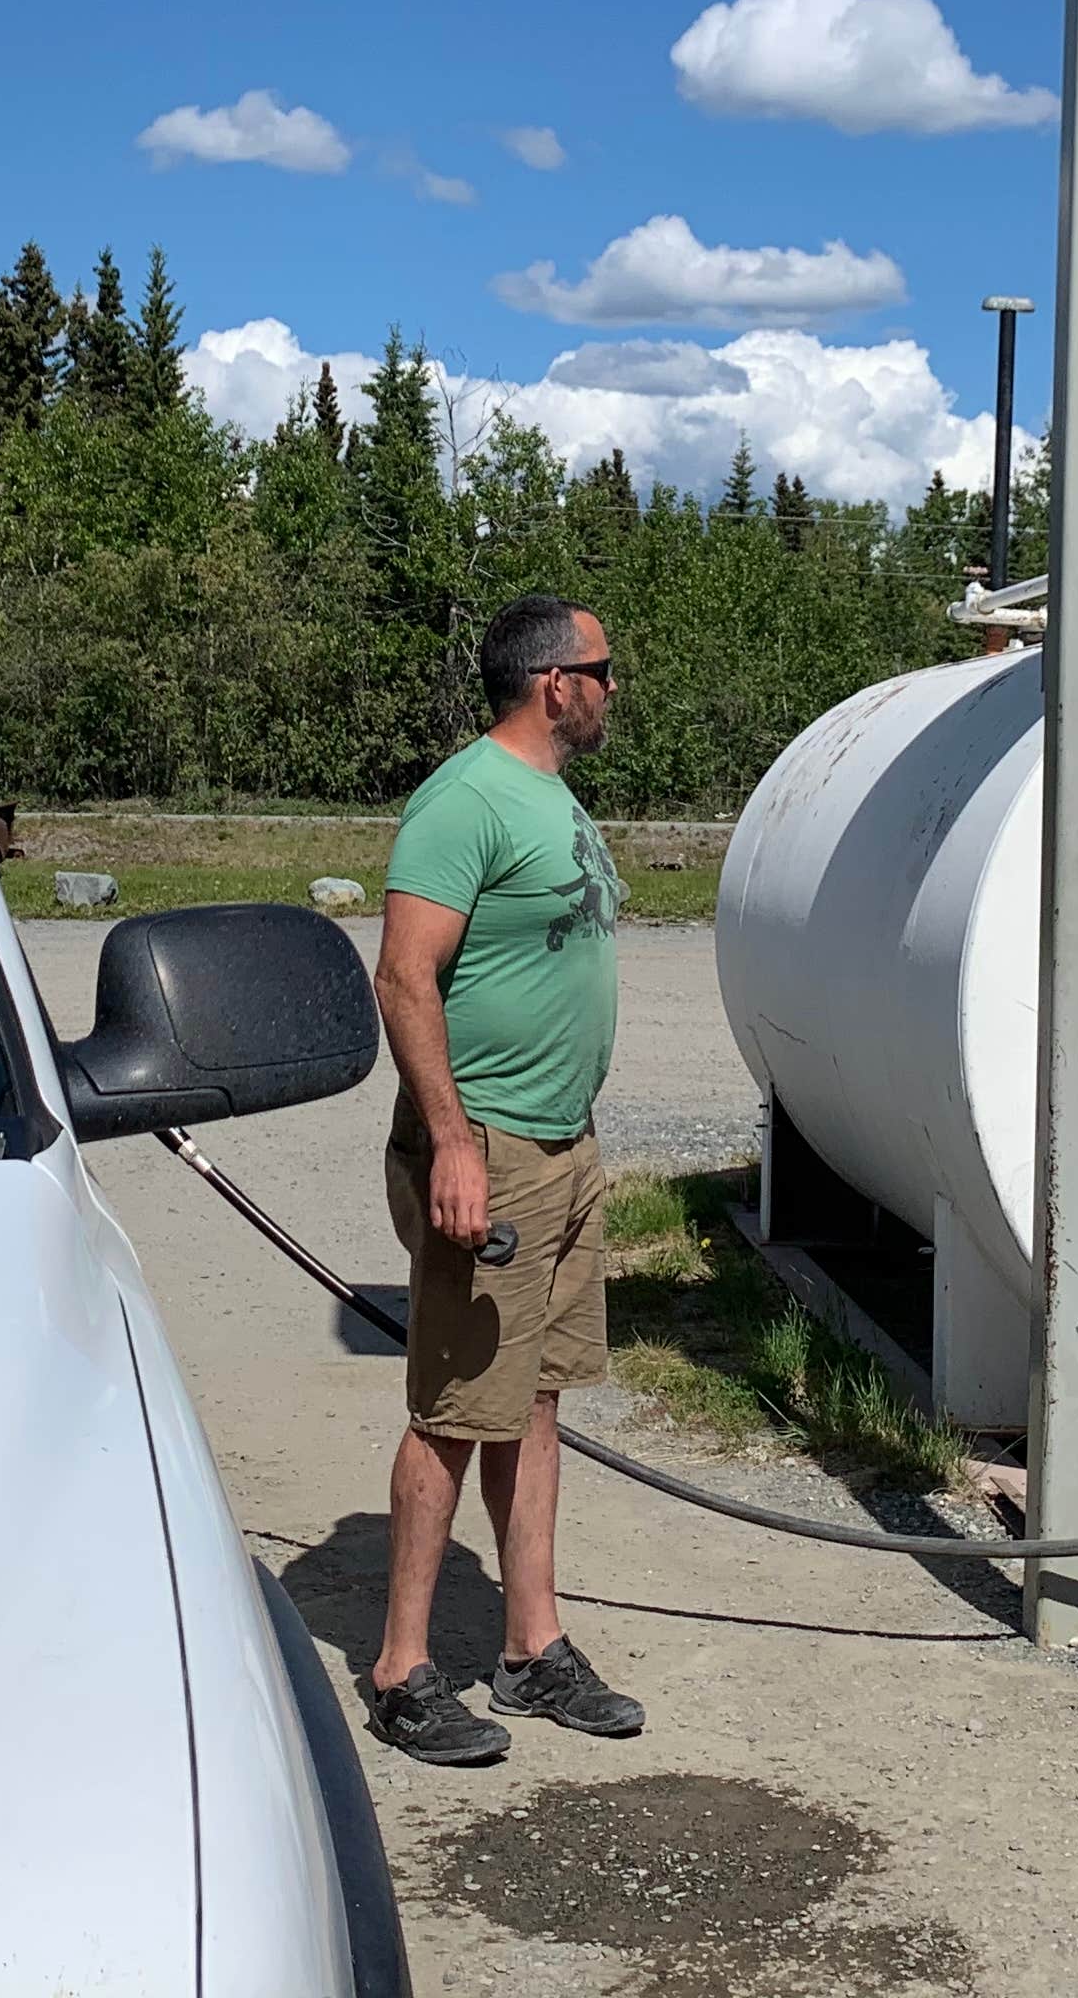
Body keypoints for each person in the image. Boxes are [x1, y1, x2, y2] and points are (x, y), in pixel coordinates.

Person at [358, 593, 644, 1766]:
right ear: (554, 684)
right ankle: (401, 1669)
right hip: (491, 1156)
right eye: (604, 668)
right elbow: (402, 978)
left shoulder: (549, 796)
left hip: (561, 1148)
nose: (614, 688)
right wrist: (456, 1143)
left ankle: (532, 1649)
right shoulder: (464, 800)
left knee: (535, 1401)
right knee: (455, 1408)